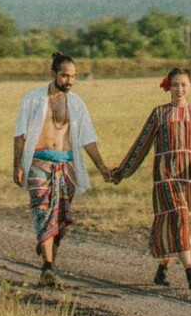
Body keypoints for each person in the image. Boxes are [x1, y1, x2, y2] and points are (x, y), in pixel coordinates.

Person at [113, 67, 191, 288]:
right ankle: (190, 273)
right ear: (169, 86)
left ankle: (162, 270)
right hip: (165, 176)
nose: (179, 89)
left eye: (183, 84)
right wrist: (122, 171)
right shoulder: (159, 114)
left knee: (180, 224)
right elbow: (141, 145)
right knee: (179, 215)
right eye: (175, 85)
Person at [13, 51, 115, 287]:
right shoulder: (32, 99)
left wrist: (101, 166)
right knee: (42, 211)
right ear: (53, 74)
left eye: (73, 76)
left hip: (66, 164)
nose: (69, 81)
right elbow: (20, 135)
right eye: (65, 76)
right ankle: (48, 266)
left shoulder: (77, 103)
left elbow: (87, 137)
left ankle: (48, 266)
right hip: (38, 162)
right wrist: (17, 165)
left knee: (57, 218)